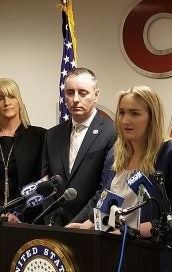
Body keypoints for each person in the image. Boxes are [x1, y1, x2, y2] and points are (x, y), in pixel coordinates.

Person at [67, 85, 172, 272]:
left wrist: (132, 231)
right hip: (118, 254)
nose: (126, 120)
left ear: (152, 117)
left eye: (135, 113)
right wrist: (89, 224)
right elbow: (105, 198)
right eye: (122, 113)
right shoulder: (114, 154)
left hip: (159, 259)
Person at [41, 67, 116, 226]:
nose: (75, 99)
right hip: (55, 228)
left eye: (83, 93)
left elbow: (107, 188)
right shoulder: (52, 135)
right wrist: (53, 223)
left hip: (89, 228)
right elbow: (46, 185)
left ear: (96, 95)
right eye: (70, 92)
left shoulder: (112, 132)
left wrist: (78, 224)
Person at [0, 78, 46, 223]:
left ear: (19, 101)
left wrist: (19, 214)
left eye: (12, 97)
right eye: (1, 98)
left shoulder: (41, 137)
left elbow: (43, 182)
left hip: (29, 221)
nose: (7, 103)